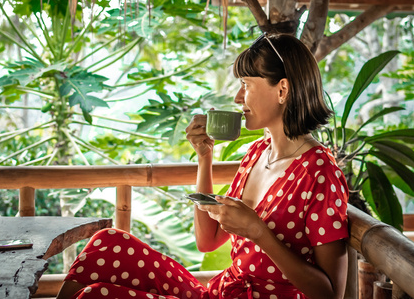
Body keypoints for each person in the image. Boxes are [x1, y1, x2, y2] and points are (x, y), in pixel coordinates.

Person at [56, 33, 349, 299]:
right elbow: (207, 240)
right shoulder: (259, 152)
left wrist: (260, 234)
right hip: (221, 293)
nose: (238, 98)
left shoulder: (319, 172)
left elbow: (331, 294)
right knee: (107, 244)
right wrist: (204, 157)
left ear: (282, 90)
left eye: (246, 85)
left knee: (95, 296)